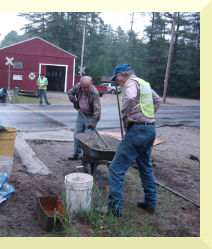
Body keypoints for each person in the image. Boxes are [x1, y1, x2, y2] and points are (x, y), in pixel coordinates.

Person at [106, 64, 162, 217]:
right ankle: (150, 203)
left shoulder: (130, 83)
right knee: (145, 167)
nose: (117, 82)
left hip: (138, 131)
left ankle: (114, 210)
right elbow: (157, 100)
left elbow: (130, 98)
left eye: (117, 78)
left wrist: (126, 115)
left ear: (123, 75)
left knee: (116, 169)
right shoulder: (142, 83)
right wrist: (147, 116)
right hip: (150, 129)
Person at [67, 76, 101, 160]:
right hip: (81, 114)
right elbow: (70, 92)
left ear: (90, 84)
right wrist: (74, 101)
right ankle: (77, 154)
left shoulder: (94, 92)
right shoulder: (78, 87)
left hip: (91, 117)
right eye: (84, 87)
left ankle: (88, 157)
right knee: (77, 135)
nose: (86, 89)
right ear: (80, 85)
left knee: (89, 138)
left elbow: (97, 109)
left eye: (87, 87)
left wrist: (94, 122)